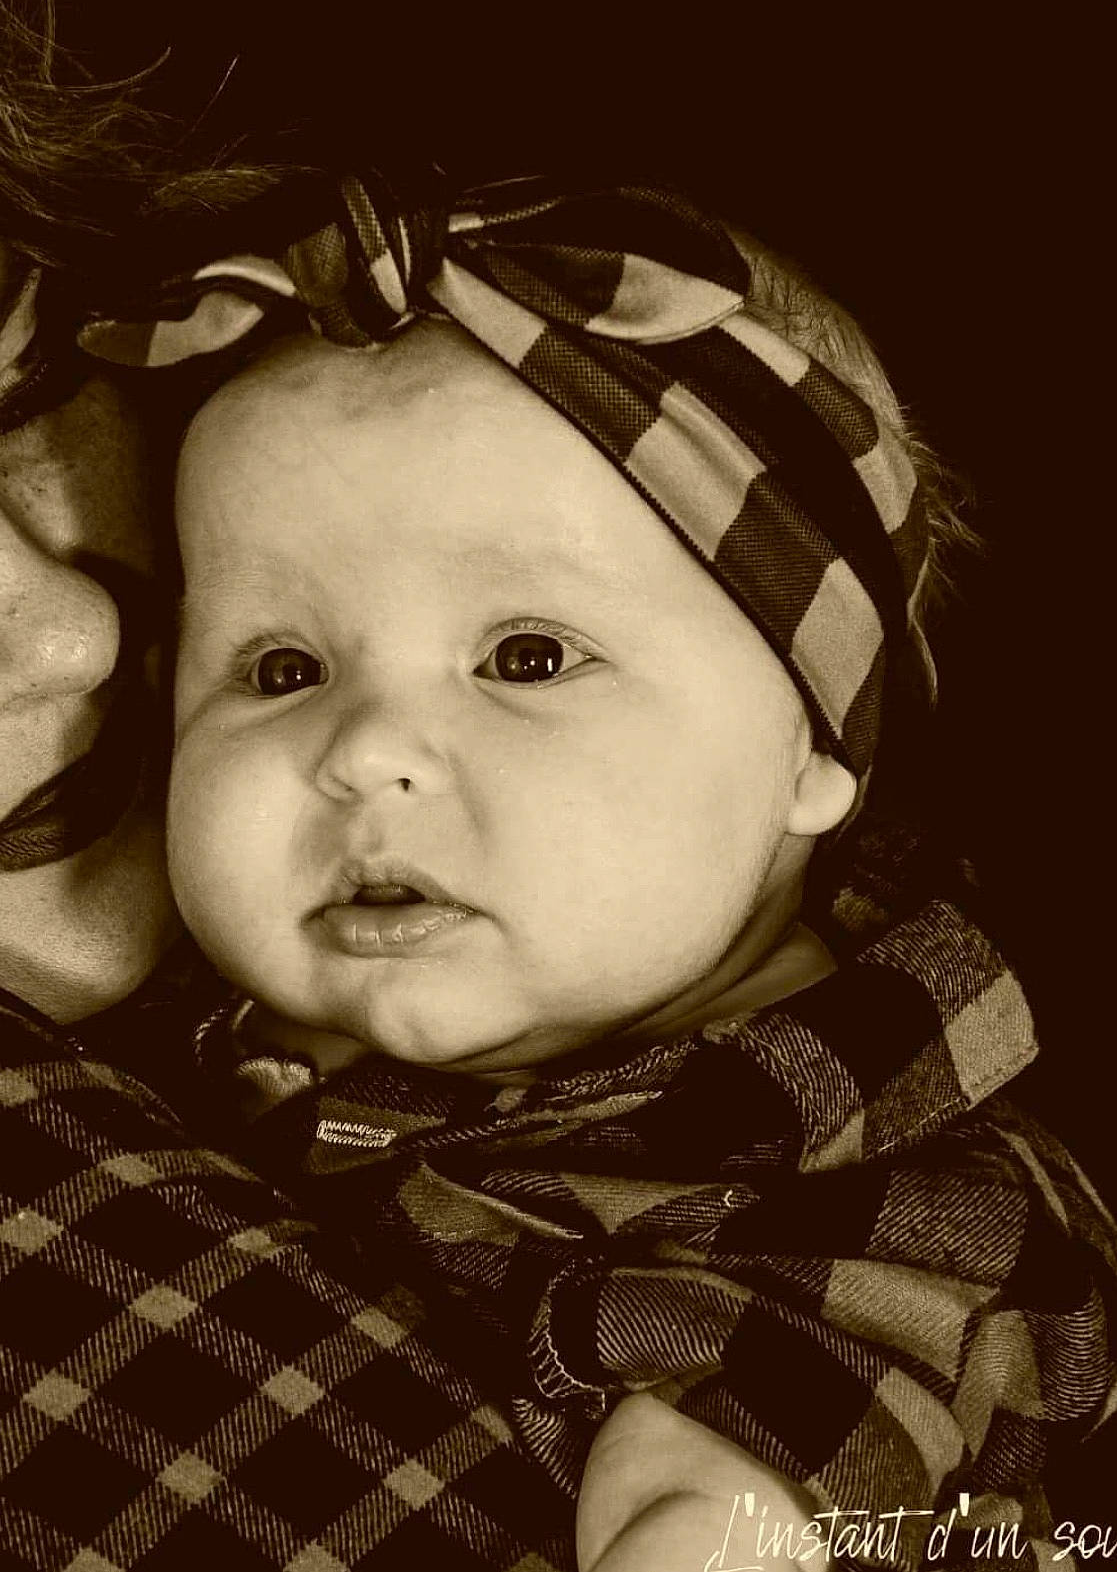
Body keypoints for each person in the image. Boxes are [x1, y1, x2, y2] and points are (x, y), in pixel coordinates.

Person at [78, 175, 1117, 1569]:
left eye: (526, 655)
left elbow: (823, 1403)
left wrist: (701, 1505)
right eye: (280, 668)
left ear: (813, 747)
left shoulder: (874, 1166)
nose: (366, 748)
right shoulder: (139, 1034)